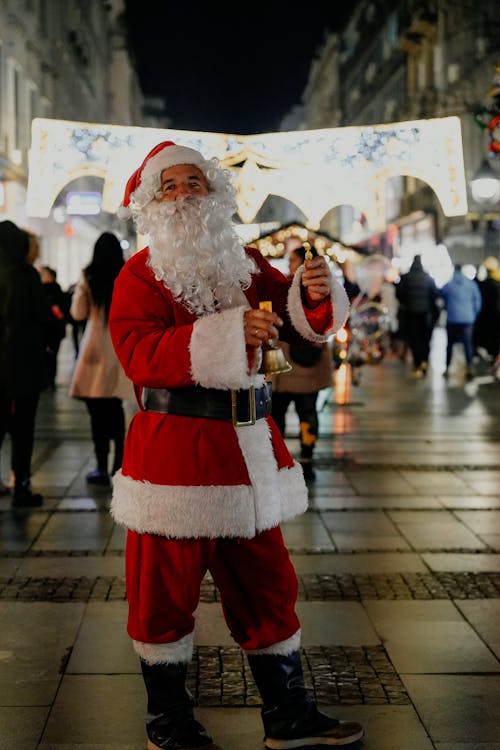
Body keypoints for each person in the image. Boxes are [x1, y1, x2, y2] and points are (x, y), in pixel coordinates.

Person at [108, 141, 363, 750]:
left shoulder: (247, 264)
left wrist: (316, 291)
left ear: (216, 194)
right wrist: (227, 333)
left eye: (194, 183)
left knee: (268, 585)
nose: (184, 194)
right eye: (169, 186)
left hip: (250, 449)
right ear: (151, 202)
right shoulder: (139, 274)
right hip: (175, 457)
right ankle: (169, 722)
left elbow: (303, 329)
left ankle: (287, 715)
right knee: (163, 594)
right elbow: (139, 355)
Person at [69, 232, 133, 486]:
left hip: (93, 353)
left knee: (97, 415)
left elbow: (78, 313)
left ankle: (99, 467)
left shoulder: (88, 276)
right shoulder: (126, 275)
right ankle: (119, 466)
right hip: (117, 350)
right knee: (117, 412)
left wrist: (81, 290)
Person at [271, 241, 334, 481]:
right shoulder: (306, 285)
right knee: (304, 414)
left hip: (294, 364)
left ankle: (287, 461)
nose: (290, 265)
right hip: (301, 366)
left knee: (286, 414)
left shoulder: (304, 286)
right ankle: (302, 459)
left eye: (292, 261)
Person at [0, 221, 51, 506]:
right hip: (24, 368)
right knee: (23, 429)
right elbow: (44, 318)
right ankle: (20, 485)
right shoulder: (27, 276)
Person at [395, 254, 439, 377]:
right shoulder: (428, 278)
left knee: (414, 339)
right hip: (425, 314)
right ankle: (424, 361)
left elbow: (399, 295)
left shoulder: (406, 278)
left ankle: (417, 362)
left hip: (411, 313)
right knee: (425, 338)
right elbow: (435, 295)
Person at [440, 264, 482, 380]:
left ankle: (447, 368)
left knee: (449, 344)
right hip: (468, 320)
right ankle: (470, 367)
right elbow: (478, 301)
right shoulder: (471, 284)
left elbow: (442, 296)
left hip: (452, 319)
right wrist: (473, 315)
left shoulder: (449, 285)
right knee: (468, 344)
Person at [40, 265, 68, 388]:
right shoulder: (57, 289)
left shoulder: (50, 290)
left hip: (50, 328)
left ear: (51, 276)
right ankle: (49, 380)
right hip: (53, 329)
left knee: (49, 355)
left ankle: (48, 380)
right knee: (50, 355)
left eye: (43, 274)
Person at [473, 256, 500, 362]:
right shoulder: (496, 282)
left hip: (491, 316)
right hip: (496, 316)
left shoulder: (488, 285)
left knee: (492, 337)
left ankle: (494, 356)